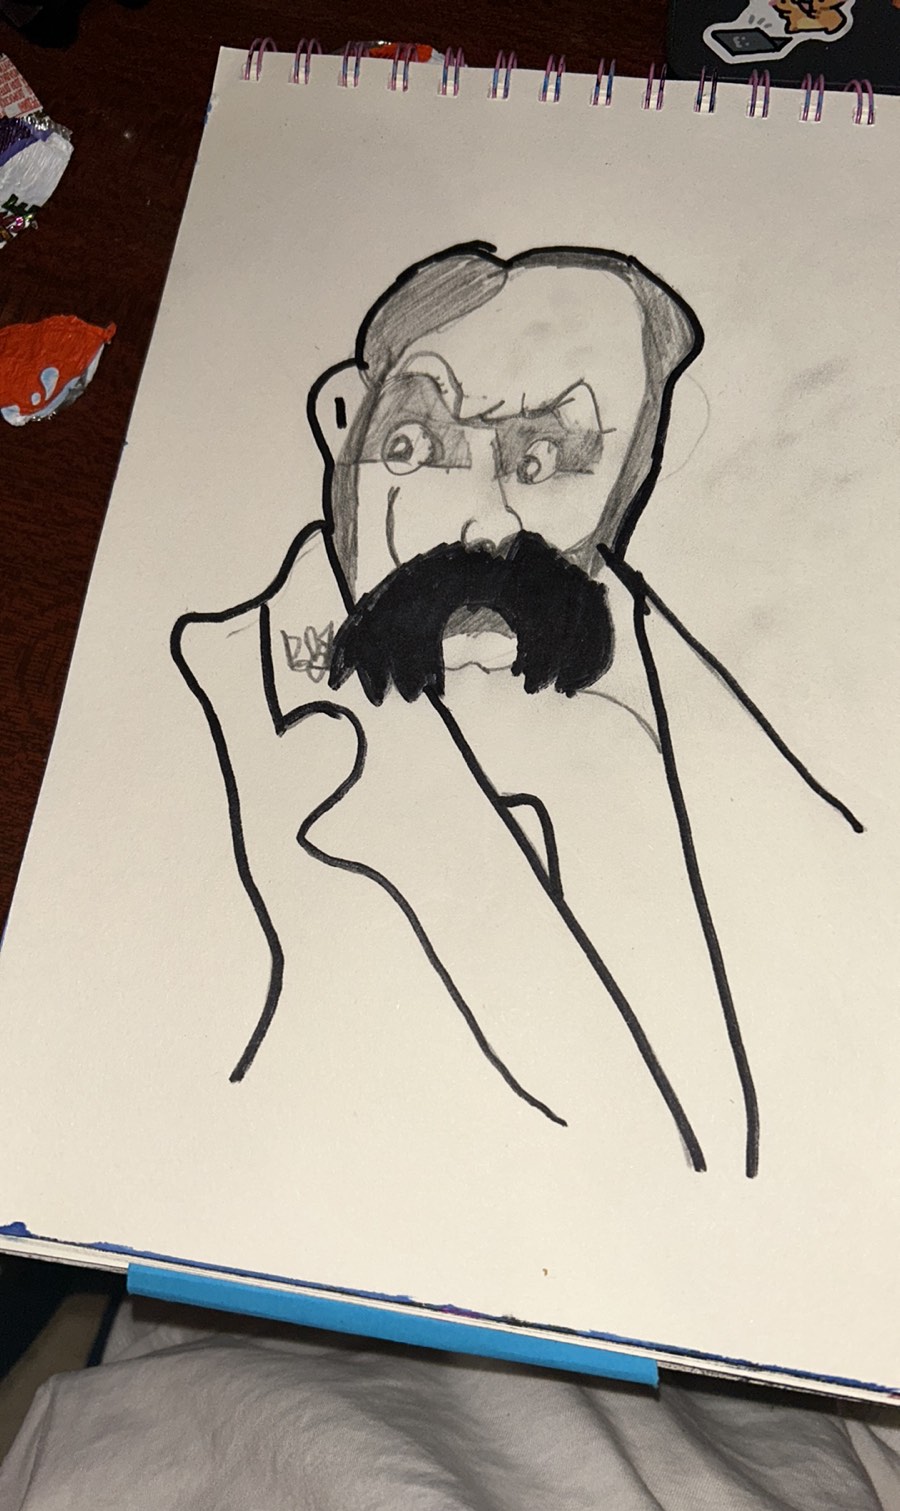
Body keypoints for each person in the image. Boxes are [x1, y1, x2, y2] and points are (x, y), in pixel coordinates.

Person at [173, 244, 861, 1181]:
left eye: (544, 460)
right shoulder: (220, 698)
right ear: (343, 421)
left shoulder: (668, 678)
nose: (485, 521)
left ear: (633, 471)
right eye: (419, 447)